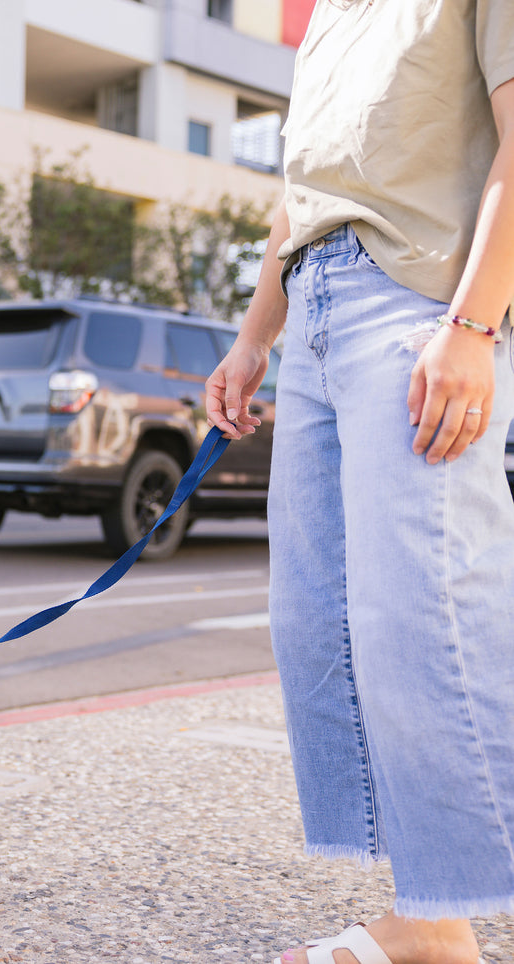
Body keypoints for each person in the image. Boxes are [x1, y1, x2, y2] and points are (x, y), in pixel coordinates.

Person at [205, 2, 514, 962]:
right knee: (328, 621)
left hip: (420, 298)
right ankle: (431, 923)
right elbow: (299, 198)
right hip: (319, 306)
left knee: (430, 617)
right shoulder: (329, 16)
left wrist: (471, 326)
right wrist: (256, 335)